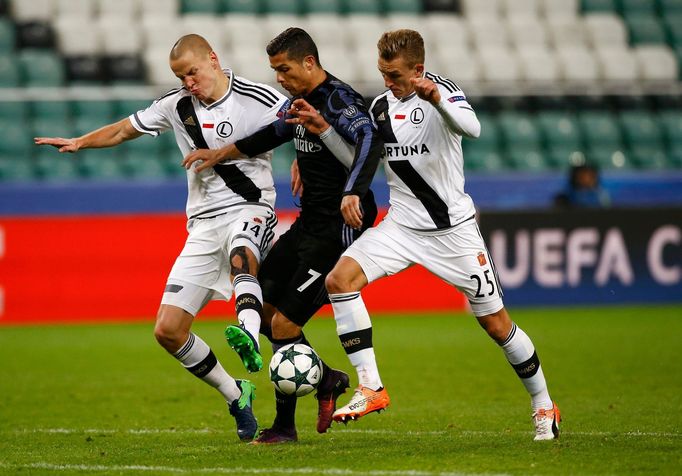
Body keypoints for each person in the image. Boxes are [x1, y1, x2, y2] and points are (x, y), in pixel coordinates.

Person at [290, 29, 561, 441]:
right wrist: (325, 131)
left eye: (395, 74)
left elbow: (473, 129)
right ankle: (371, 387)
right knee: (339, 281)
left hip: (453, 234)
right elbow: (363, 160)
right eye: (382, 73)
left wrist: (435, 98)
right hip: (401, 227)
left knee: (497, 325)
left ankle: (543, 404)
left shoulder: (444, 93)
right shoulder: (379, 106)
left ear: (418, 70)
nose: (387, 82)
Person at [34, 34, 289, 442]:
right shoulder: (176, 106)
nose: (189, 82)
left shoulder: (257, 96)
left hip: (251, 208)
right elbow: (122, 131)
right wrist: (81, 141)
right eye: (180, 76)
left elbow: (302, 124)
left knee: (244, 252)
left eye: (192, 72)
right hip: (203, 224)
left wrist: (307, 170)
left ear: (212, 59)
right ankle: (234, 392)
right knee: (168, 330)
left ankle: (247, 330)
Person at [182, 27, 384, 444]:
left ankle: (285, 427)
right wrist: (218, 154)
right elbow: (268, 137)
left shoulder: (340, 101)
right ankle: (326, 379)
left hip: (339, 229)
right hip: (310, 223)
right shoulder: (297, 104)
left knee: (286, 323)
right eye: (275, 70)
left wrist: (353, 188)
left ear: (309, 63)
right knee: (264, 308)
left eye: (284, 69)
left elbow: (369, 142)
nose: (279, 78)